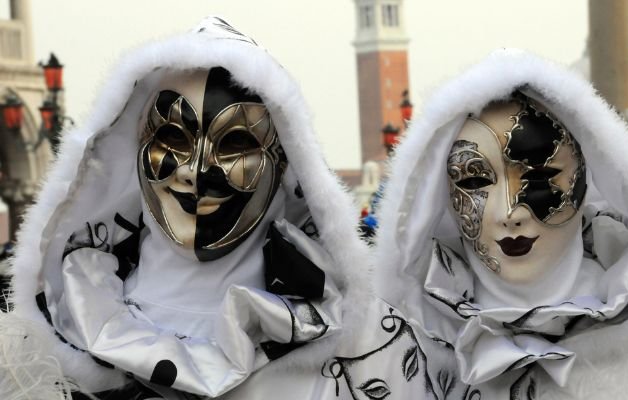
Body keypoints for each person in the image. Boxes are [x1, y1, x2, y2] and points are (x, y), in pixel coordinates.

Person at [2, 17, 369, 399]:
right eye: (172, 138)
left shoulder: (368, 347)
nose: (195, 172)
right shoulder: (49, 344)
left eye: (234, 144)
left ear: (284, 164)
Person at [374, 49, 628, 399]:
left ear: (588, 177)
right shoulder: (388, 360)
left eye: (541, 175)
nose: (509, 212)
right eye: (474, 182)